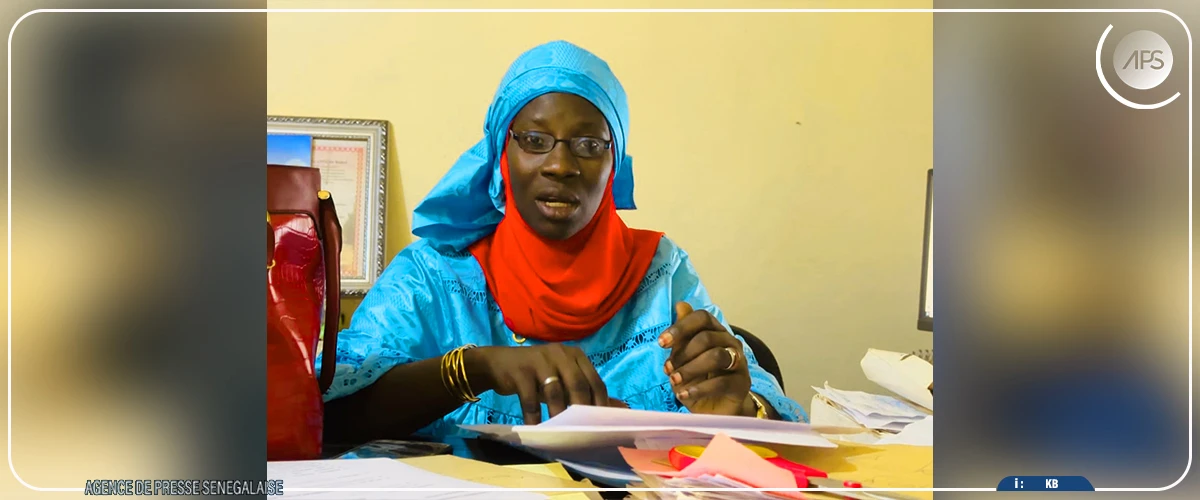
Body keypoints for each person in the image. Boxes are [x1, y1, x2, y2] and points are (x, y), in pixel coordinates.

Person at [319, 40, 806, 444]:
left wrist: (740, 405)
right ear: (500, 154)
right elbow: (327, 417)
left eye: (589, 145)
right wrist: (474, 368)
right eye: (535, 140)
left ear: (614, 167)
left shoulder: (661, 273)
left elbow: (762, 406)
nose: (560, 165)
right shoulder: (433, 276)